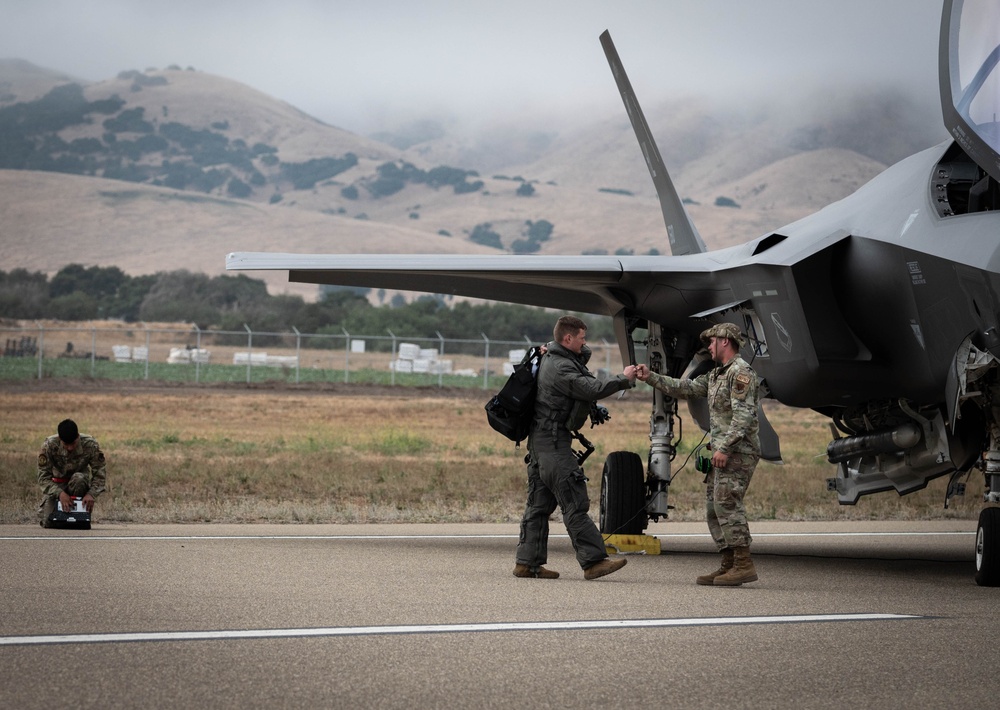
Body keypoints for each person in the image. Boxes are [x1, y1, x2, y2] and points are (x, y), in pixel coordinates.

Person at [635, 322, 761, 586]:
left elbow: (744, 417)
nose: (709, 346)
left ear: (725, 341)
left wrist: (725, 448)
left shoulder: (740, 373)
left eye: (712, 341)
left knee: (728, 504)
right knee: (713, 509)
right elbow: (685, 388)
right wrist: (650, 377)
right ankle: (728, 563)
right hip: (721, 452)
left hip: (738, 451)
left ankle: (743, 564)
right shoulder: (716, 375)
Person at [514, 315, 637, 580]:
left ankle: (527, 563)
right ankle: (594, 562)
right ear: (568, 339)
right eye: (581, 338)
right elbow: (592, 388)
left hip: (540, 444)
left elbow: (582, 355)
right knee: (574, 502)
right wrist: (624, 378)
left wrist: (555, 345)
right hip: (554, 446)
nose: (586, 343)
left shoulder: (554, 356)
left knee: (538, 506)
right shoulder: (561, 368)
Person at [37, 419, 107, 527]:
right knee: (48, 522)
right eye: (66, 444)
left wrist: (91, 494)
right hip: (56, 486)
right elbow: (43, 478)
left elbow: (100, 474)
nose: (70, 448)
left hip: (79, 485)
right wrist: (60, 494)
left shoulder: (90, 444)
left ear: (78, 436)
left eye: (73, 443)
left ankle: (78, 514)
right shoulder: (49, 445)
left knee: (79, 478)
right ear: (60, 439)